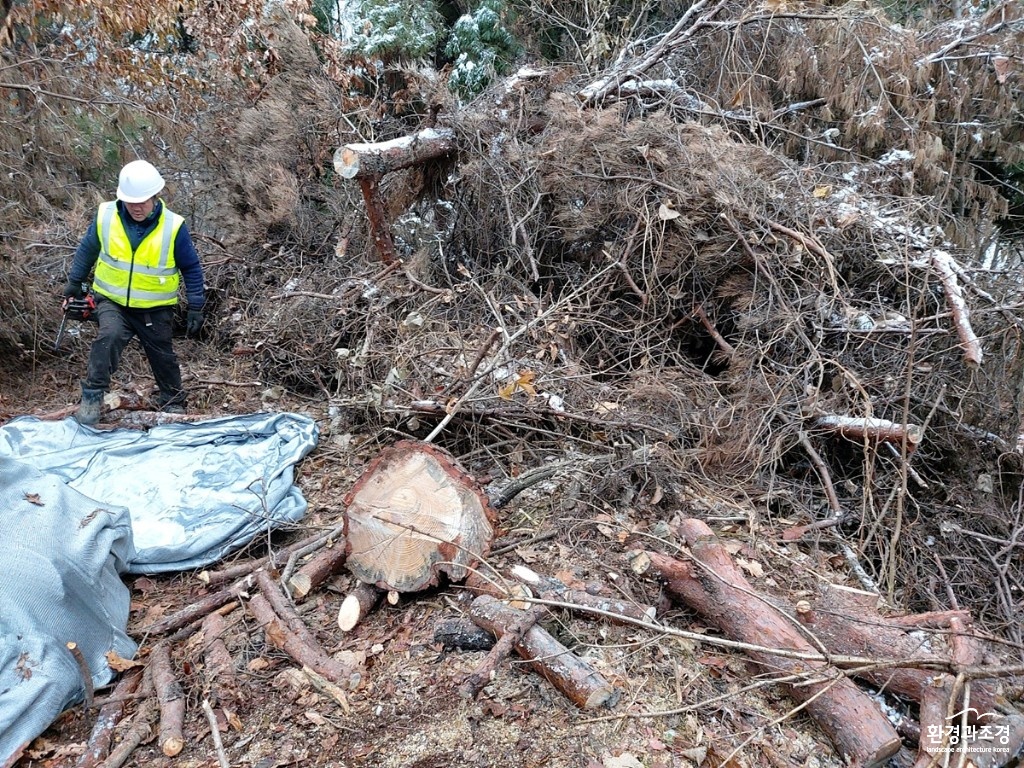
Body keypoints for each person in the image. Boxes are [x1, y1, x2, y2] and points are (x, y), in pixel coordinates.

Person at [63, 159, 206, 426]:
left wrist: (196, 305)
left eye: (142, 201)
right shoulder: (106, 216)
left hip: (155, 307)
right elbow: (87, 250)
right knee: (109, 336)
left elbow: (191, 267)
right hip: (112, 301)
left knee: (162, 354)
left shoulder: (173, 226)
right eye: (131, 201)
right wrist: (74, 283)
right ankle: (93, 397)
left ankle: (173, 401)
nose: (137, 207)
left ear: (155, 196)